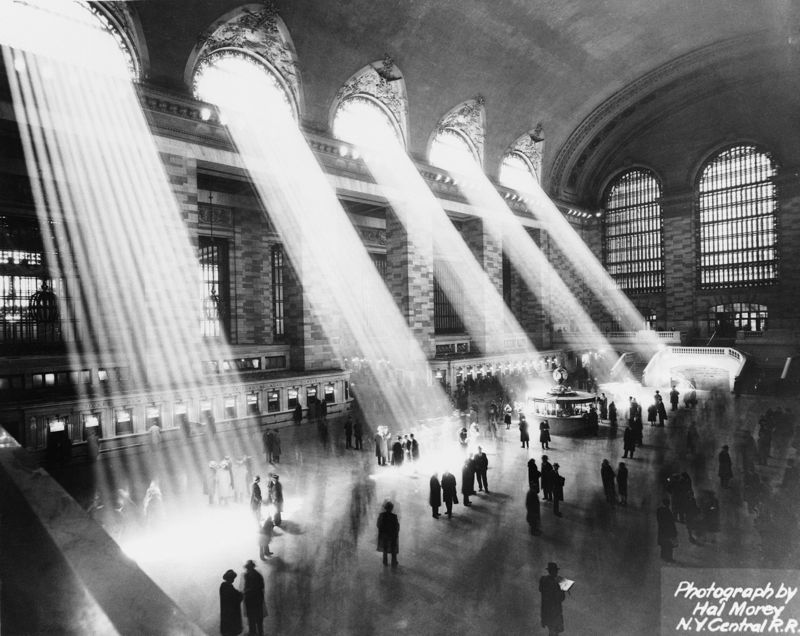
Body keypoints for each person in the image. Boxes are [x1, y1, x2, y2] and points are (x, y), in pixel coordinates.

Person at [539, 562, 566, 636]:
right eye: (554, 570)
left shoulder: (544, 580)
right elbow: (560, 597)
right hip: (551, 612)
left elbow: (561, 598)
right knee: (553, 631)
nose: (556, 572)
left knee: (553, 632)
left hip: (551, 611)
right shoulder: (548, 580)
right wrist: (561, 589)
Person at [242, 560, 266, 636]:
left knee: (258, 617)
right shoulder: (247, 575)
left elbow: (261, 586)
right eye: (247, 568)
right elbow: (246, 587)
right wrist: (246, 591)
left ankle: (259, 632)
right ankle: (253, 632)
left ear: (252, 567)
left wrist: (250, 590)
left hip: (256, 599)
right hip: (250, 599)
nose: (247, 569)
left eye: (249, 568)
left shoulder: (257, 576)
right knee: (251, 617)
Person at [219, 569, 243, 636]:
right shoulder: (227, 587)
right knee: (231, 631)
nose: (233, 580)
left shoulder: (225, 586)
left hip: (227, 613)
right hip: (230, 613)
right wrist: (240, 595)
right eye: (232, 578)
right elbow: (234, 597)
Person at [376, 500, 399, 566]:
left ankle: (385, 561)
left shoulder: (381, 515)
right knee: (393, 549)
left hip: (384, 535)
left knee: (385, 548)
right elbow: (396, 526)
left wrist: (382, 530)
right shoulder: (394, 516)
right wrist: (395, 533)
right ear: (392, 508)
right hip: (392, 535)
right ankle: (393, 562)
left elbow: (378, 524)